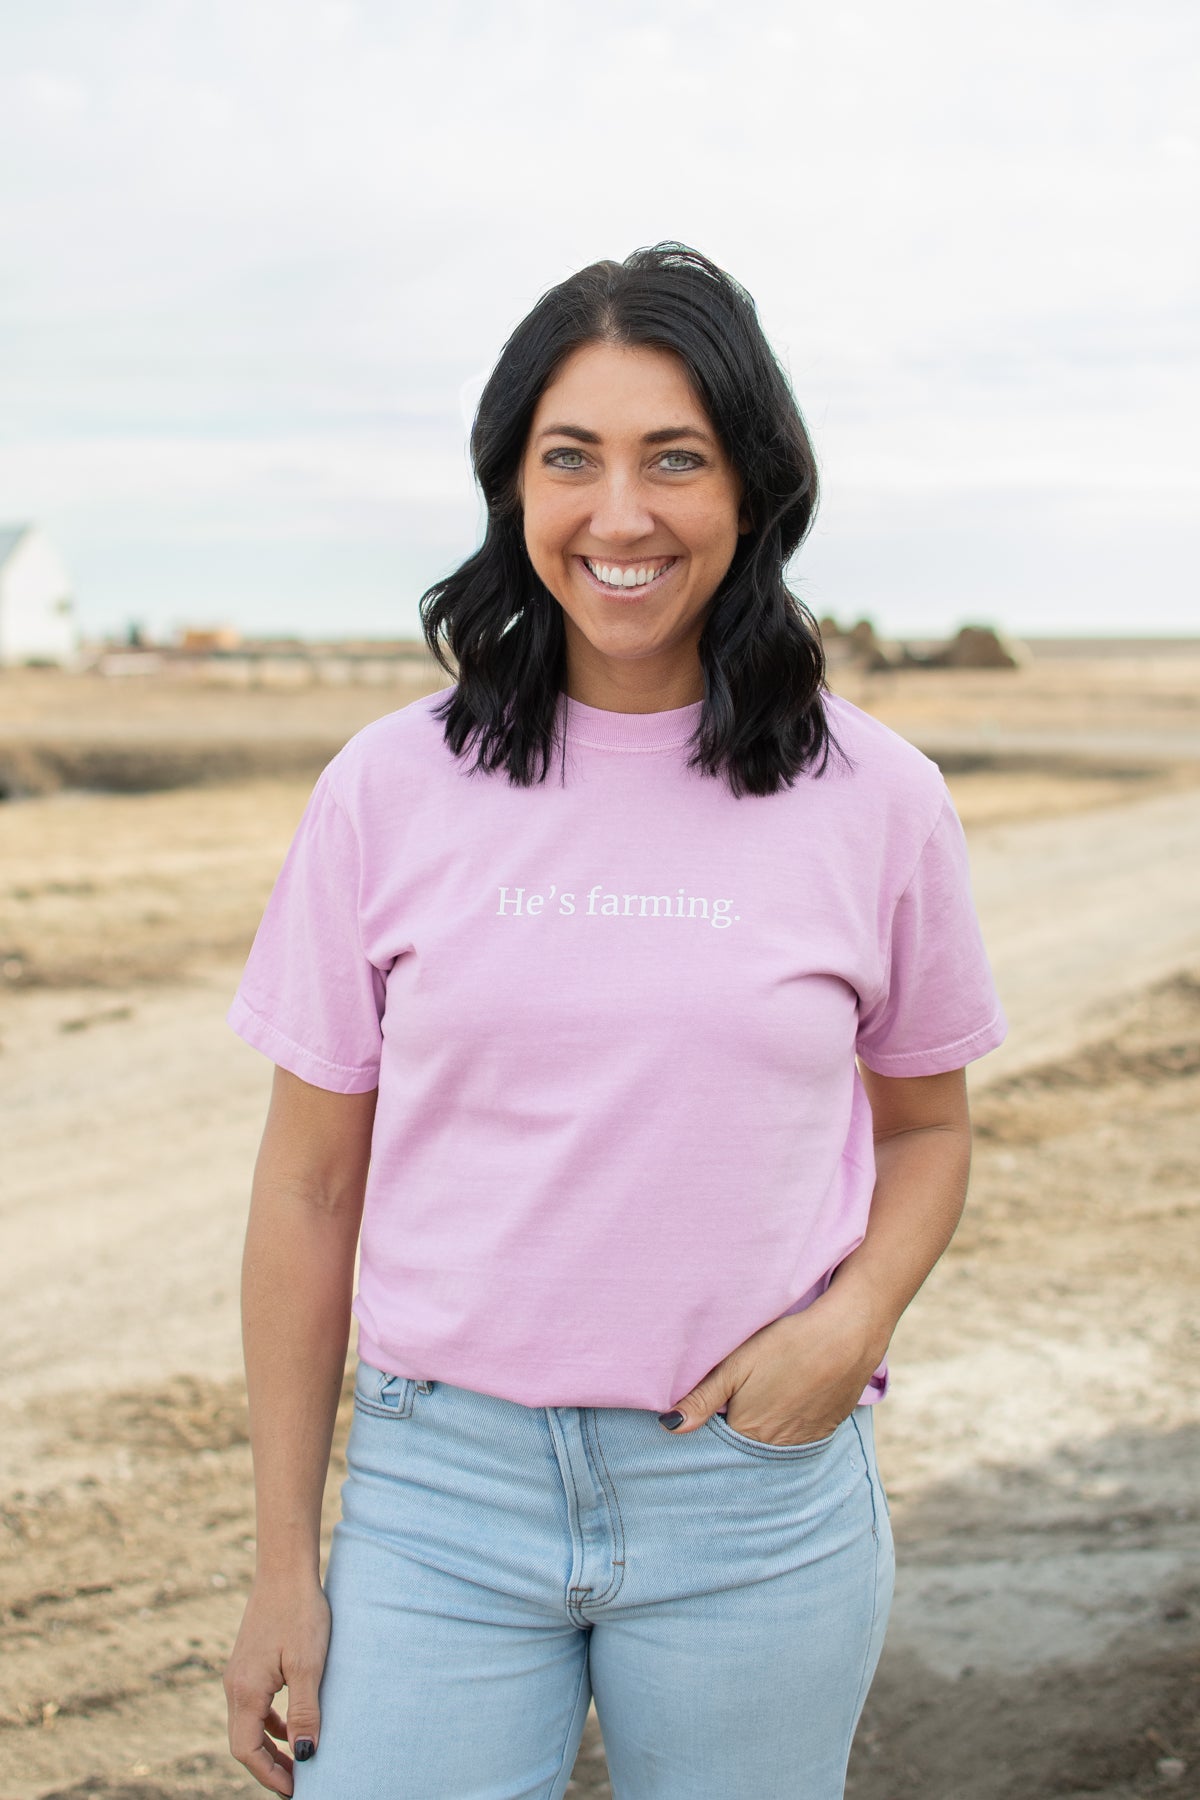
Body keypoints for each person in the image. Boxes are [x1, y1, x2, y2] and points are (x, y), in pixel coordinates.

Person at [222, 242, 1006, 1800]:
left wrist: (847, 1334)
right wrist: (281, 1562)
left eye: (677, 460)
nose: (621, 513)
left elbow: (924, 1129)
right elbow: (310, 1187)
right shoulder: (388, 787)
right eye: (570, 458)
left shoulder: (880, 801)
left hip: (754, 1501)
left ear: (752, 488)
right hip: (441, 1501)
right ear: (514, 486)